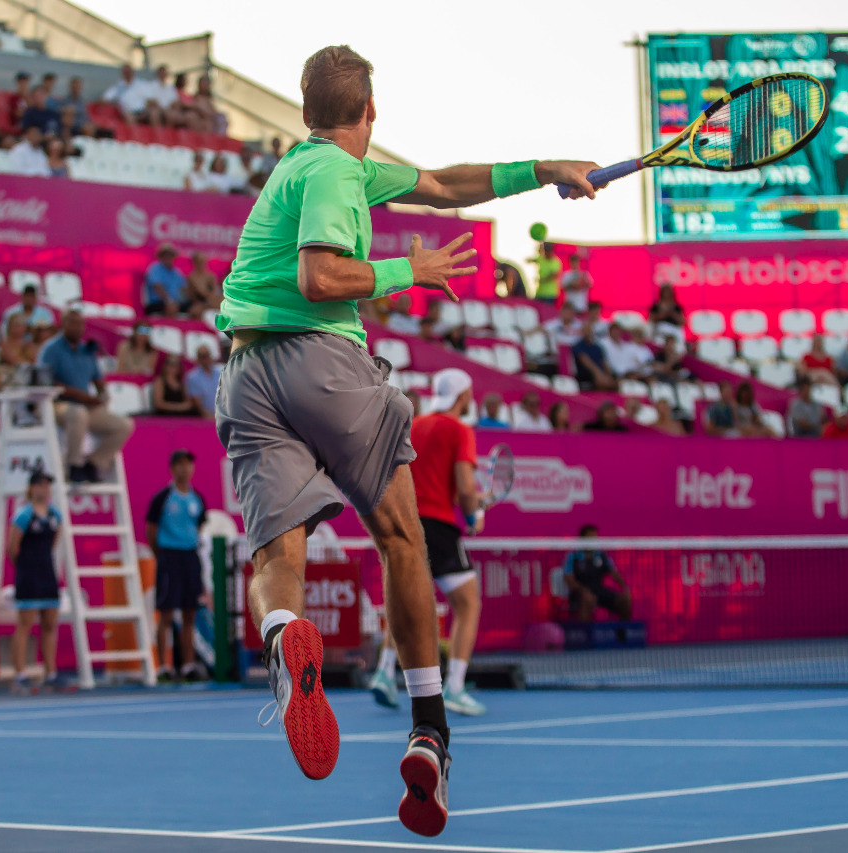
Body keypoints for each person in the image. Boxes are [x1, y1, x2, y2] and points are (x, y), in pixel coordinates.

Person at [214, 47, 599, 827]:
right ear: (370, 112)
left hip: (246, 374)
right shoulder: (335, 172)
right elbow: (320, 277)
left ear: (306, 112)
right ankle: (430, 728)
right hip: (320, 359)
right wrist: (406, 271)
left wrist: (546, 169)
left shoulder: (304, 168)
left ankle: (284, 635)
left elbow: (447, 185)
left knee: (276, 558)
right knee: (401, 537)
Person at [368, 368, 489, 719]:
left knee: (406, 598)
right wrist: (474, 515)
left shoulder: (413, 425)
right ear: (464, 396)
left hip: (402, 518)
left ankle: (384, 672)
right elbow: (464, 488)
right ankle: (455, 687)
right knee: (467, 604)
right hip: (437, 525)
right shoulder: (460, 430)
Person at [37, 309, 134, 483]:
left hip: (86, 405)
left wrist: (102, 397)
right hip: (57, 404)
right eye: (73, 323)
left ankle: (95, 463)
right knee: (78, 413)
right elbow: (46, 383)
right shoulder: (51, 349)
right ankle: (74, 465)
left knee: (124, 425)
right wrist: (82, 396)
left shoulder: (87, 351)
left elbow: (99, 382)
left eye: (81, 324)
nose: (78, 328)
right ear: (63, 324)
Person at [145, 449, 209, 682]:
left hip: (190, 558)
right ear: (172, 468)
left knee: (190, 613)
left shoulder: (197, 498)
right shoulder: (163, 498)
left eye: (188, 464)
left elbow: (199, 527)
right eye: (180, 464)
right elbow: (151, 530)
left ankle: (188, 665)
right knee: (166, 614)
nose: (185, 468)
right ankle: (164, 667)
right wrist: (162, 554)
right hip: (169, 557)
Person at [7, 472, 65, 693]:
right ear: (31, 488)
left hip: (47, 575)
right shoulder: (24, 515)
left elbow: (53, 544)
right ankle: (20, 675)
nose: (45, 489)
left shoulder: (55, 515)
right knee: (25, 625)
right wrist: (25, 568)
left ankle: (51, 674)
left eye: (47, 486)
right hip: (29, 576)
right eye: (40, 485)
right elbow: (12, 547)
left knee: (49, 625)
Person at [563, 525, 632, 622]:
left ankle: (623, 630)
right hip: (580, 592)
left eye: (595, 538)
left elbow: (614, 573)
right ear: (582, 539)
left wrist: (625, 587)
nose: (593, 541)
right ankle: (585, 630)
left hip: (599, 590)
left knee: (624, 600)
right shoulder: (573, 556)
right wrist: (583, 590)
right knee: (588, 599)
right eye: (590, 538)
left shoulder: (601, 555)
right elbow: (569, 579)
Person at [143, 243, 190, 316]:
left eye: (170, 255)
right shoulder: (154, 268)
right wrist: (169, 300)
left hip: (176, 303)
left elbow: (184, 289)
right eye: (165, 255)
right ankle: (170, 323)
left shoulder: (177, 272)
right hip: (157, 303)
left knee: (195, 309)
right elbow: (157, 287)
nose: (168, 257)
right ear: (161, 257)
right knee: (171, 307)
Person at [571, 322, 617, 391]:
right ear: (582, 331)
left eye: (589, 330)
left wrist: (610, 376)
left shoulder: (597, 347)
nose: (587, 332)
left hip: (601, 374)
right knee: (602, 382)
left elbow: (604, 362)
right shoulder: (578, 346)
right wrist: (599, 374)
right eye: (586, 330)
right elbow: (586, 361)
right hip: (587, 375)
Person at [185, 344, 221, 418]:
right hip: (206, 417)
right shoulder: (193, 377)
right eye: (203, 356)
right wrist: (210, 416)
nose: (206, 359)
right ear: (198, 358)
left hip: (222, 414)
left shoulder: (220, 372)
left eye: (207, 355)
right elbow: (197, 403)